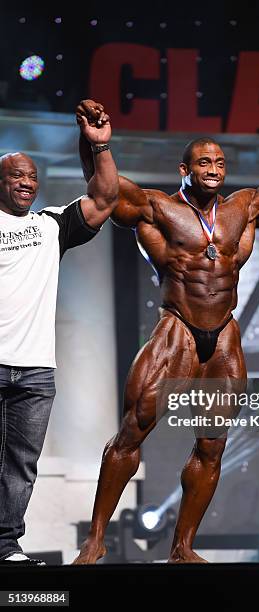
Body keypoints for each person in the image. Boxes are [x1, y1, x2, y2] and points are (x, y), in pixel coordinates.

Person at [73, 98, 259, 564]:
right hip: (176, 329)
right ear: (184, 169)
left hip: (223, 337)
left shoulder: (243, 209)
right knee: (132, 432)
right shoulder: (158, 209)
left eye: (219, 161)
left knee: (212, 446)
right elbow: (108, 193)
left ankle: (183, 546)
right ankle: (96, 539)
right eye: (204, 161)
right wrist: (96, 146)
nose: (213, 168)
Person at [0, 104, 119, 565]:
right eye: (16, 176)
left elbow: (105, 197)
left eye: (32, 176)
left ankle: (5, 545)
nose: (27, 182)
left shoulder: (49, 225)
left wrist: (100, 143)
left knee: (20, 465)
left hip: (35, 370)